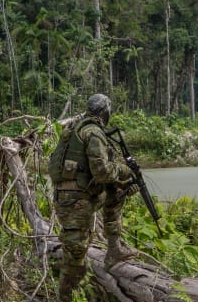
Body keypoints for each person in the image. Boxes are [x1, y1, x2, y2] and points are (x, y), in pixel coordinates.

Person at [48, 93, 138, 301]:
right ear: (105, 112)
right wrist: (124, 171)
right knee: (76, 260)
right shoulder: (93, 132)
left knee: (116, 192)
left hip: (71, 197)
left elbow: (98, 176)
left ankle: (114, 248)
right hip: (76, 202)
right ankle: (65, 297)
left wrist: (122, 184)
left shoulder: (74, 129)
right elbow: (102, 172)